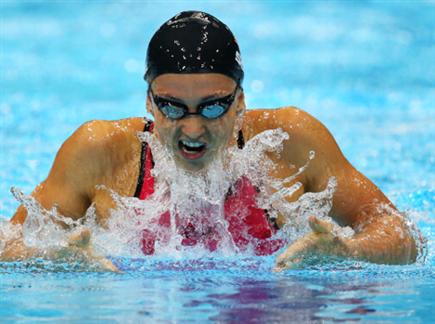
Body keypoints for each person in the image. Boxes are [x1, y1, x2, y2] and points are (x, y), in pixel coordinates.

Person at [0, 11, 418, 271]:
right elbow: (6, 244)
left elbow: (400, 233)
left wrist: (349, 251)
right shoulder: (99, 152)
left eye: (214, 107)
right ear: (149, 100)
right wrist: (49, 260)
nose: (194, 129)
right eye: (172, 107)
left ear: (240, 102)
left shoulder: (291, 142)